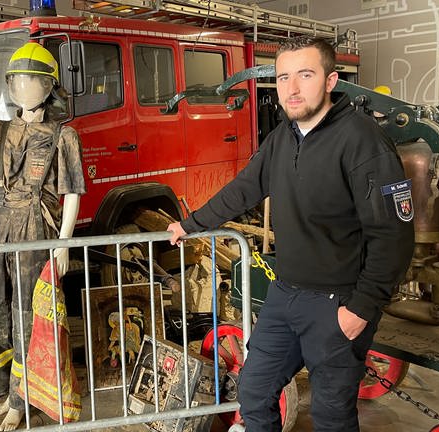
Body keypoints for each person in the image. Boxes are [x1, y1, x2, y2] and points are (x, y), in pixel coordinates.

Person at [167, 36, 414, 431]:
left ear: (331, 81)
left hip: (338, 302)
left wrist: (361, 309)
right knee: (253, 389)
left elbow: (394, 235)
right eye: (283, 77)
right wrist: (190, 223)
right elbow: (243, 189)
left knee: (332, 415)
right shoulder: (283, 137)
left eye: (305, 75)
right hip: (285, 295)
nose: (292, 88)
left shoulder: (363, 141)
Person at [0, 42, 86, 431]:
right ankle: (3, 388)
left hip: (36, 230)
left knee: (29, 317)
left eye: (32, 80)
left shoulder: (64, 136)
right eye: (18, 81)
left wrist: (63, 243)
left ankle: (21, 401)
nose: (24, 88)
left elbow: (72, 192)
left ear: (49, 85)